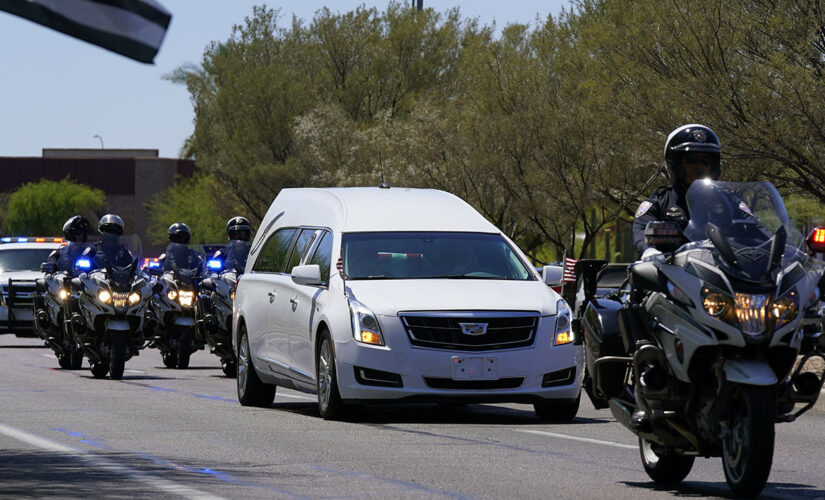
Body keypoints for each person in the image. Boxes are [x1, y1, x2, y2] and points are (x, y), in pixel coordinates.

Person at [632, 124, 721, 258]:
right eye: (691, 161)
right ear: (675, 164)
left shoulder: (728, 203)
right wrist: (649, 251)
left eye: (705, 161)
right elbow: (641, 231)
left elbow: (755, 231)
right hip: (673, 274)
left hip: (724, 273)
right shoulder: (658, 203)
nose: (699, 167)